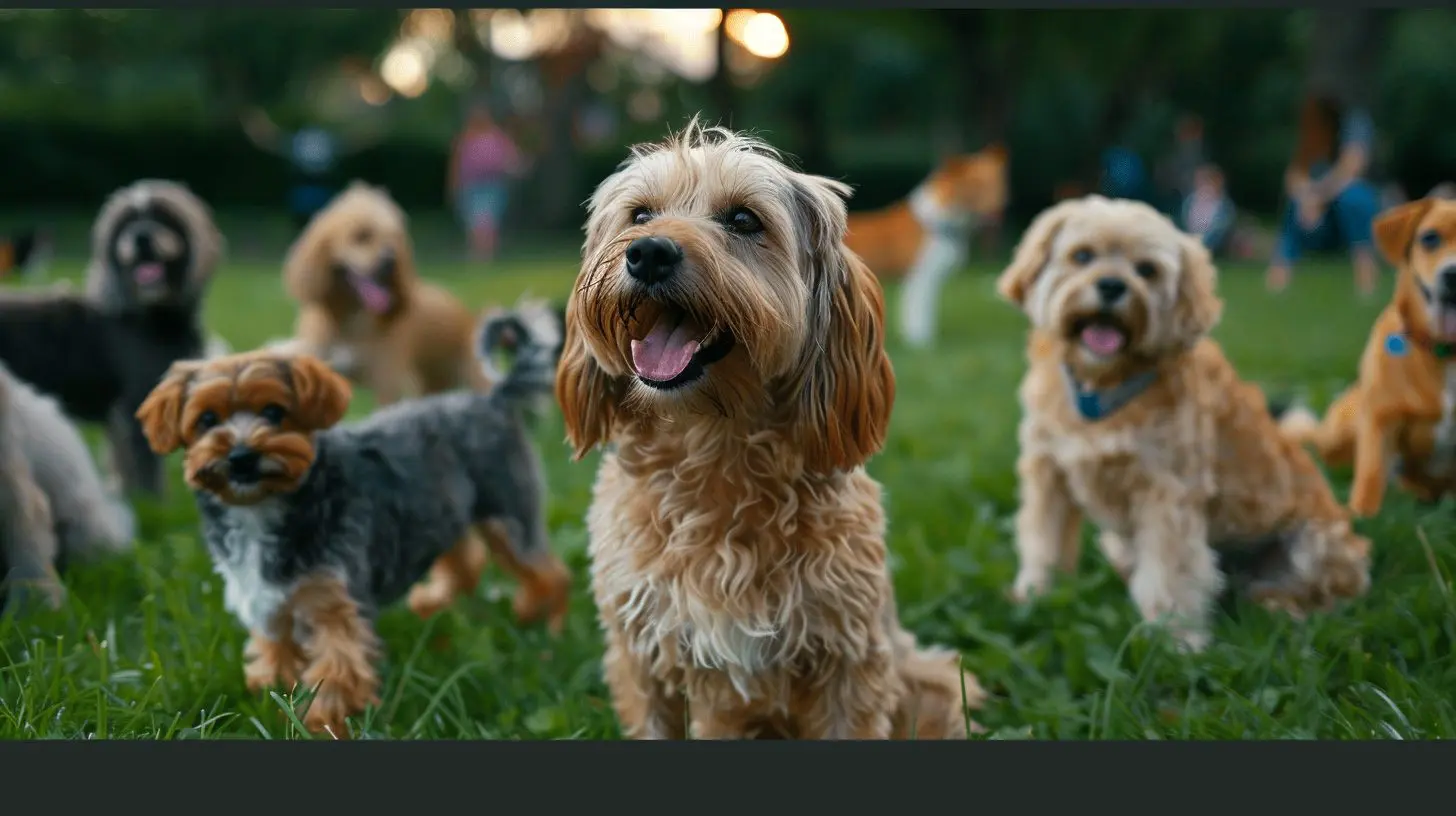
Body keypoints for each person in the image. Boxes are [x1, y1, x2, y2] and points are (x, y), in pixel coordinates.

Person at [1265, 95, 1382, 296]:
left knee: (1353, 199)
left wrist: (1317, 196)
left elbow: (1351, 168)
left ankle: (1366, 274)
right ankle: (1279, 276)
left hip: (1358, 201)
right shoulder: (1312, 136)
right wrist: (1305, 197)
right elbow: (1293, 176)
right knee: (1294, 205)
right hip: (1320, 207)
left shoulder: (1354, 123)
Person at [242, 108, 383, 234]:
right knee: (304, 227)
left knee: (320, 227)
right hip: (303, 191)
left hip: (320, 190)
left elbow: (352, 143)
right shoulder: (301, 140)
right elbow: (272, 140)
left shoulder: (321, 140)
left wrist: (370, 132)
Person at [447, 104, 529, 263]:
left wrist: (519, 167)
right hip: (471, 186)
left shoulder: (497, 138)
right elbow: (456, 164)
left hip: (492, 185)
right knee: (475, 221)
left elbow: (511, 159)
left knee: (488, 221)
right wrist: (453, 185)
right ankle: (478, 254)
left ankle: (486, 255)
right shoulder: (465, 138)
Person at [1180, 164, 1237, 257]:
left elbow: (1221, 227)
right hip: (1192, 237)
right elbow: (1185, 221)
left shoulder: (1224, 205)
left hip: (1210, 242)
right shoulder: (1190, 200)